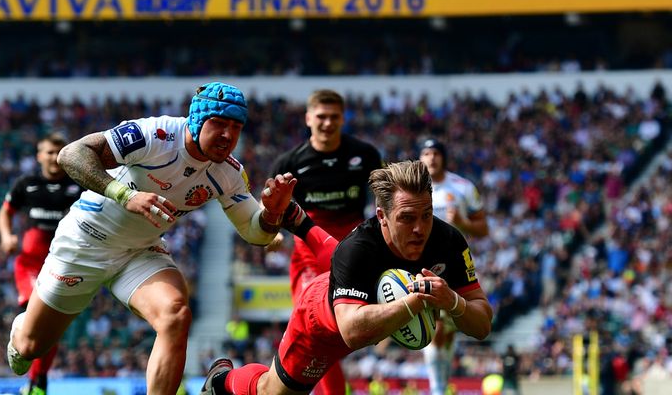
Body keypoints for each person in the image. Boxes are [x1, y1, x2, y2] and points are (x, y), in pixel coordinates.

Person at [5, 82, 297, 395]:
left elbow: (254, 231)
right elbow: (71, 154)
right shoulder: (155, 135)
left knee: (175, 315)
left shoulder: (228, 173)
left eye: (236, 127)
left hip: (139, 251)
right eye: (219, 123)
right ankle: (21, 329)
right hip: (85, 241)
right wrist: (123, 194)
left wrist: (271, 213)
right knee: (29, 348)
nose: (228, 135)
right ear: (197, 119)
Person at [201, 160, 493, 395]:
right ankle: (221, 381)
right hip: (324, 323)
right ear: (382, 216)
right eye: (406, 218)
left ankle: (296, 218)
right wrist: (412, 303)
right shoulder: (360, 246)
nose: (419, 228)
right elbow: (351, 330)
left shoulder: (449, 241)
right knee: (272, 392)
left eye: (426, 215)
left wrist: (454, 302)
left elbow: (482, 325)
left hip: (359, 299)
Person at [268, 89, 381, 394]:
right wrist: (271, 233)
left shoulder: (366, 155)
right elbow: (270, 209)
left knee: (345, 328)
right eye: (321, 117)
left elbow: (385, 200)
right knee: (317, 327)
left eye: (334, 117)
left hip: (352, 250)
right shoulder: (289, 162)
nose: (327, 123)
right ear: (308, 118)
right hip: (308, 250)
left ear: (343, 118)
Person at [0, 133, 84, 395]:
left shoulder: (77, 185)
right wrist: (6, 235)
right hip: (31, 265)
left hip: (62, 264)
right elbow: (5, 211)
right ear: (39, 156)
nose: (53, 158)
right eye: (48, 152)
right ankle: (35, 382)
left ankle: (38, 383)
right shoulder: (27, 184)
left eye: (58, 152)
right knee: (40, 318)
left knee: (50, 327)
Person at [419, 138, 489, 395]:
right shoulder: (414, 188)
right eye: (426, 153)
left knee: (447, 329)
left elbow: (483, 229)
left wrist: (463, 222)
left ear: (444, 157)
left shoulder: (462, 187)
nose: (431, 157)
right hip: (422, 263)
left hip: (456, 264)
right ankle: (438, 388)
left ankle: (440, 386)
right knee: (436, 326)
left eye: (436, 152)